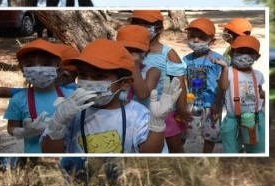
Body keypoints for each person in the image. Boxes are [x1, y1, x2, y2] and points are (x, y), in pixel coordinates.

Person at [42, 39, 177, 154]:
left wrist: (157, 124)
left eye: (99, 76)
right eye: (83, 75)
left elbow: (149, 154)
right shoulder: (70, 112)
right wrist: (57, 125)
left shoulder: (138, 115)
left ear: (124, 83)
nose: (89, 82)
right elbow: (50, 153)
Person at [129, 10, 191, 153]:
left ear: (159, 29)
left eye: (147, 25)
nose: (141, 29)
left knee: (174, 146)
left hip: (162, 111)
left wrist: (181, 108)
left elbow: (180, 82)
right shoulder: (126, 52)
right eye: (137, 24)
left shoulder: (168, 53)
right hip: (133, 111)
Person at [4, 39, 77, 154]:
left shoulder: (71, 96)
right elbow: (11, 128)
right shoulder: (18, 100)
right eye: (30, 65)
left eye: (46, 64)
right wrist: (23, 132)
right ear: (23, 70)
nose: (38, 69)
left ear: (57, 66)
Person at [216, 35, 265, 154]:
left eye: (249, 52)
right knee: (231, 150)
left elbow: (260, 92)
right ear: (232, 53)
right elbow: (222, 87)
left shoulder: (258, 74)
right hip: (233, 120)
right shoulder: (228, 72)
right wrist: (225, 68)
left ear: (257, 57)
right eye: (240, 51)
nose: (244, 55)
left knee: (256, 150)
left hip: (256, 119)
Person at [183, 18, 225, 153]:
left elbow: (223, 85)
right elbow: (182, 81)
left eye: (201, 37)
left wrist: (218, 104)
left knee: (210, 136)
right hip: (191, 105)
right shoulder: (186, 60)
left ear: (211, 41)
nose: (196, 40)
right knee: (183, 133)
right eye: (192, 36)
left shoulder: (219, 60)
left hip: (211, 105)